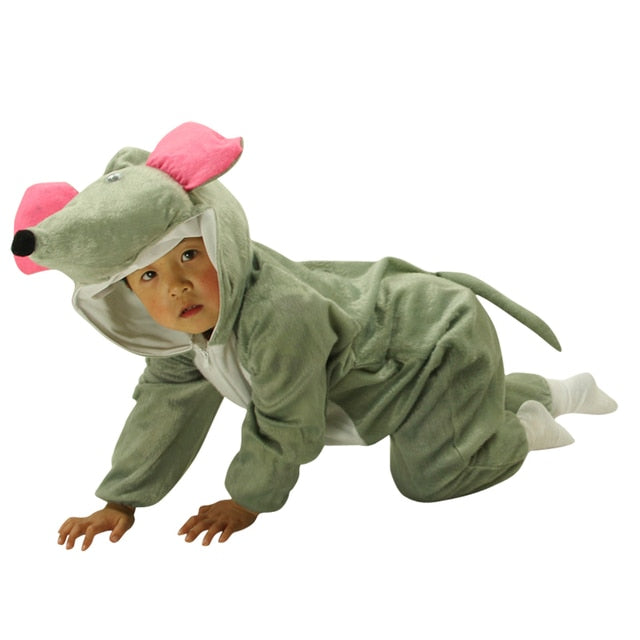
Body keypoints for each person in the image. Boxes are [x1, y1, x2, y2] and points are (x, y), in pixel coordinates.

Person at [10, 123, 617, 551]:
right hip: (402, 342)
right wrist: (122, 501)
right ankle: (556, 392)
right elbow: (164, 409)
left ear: (219, 243)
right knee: (451, 428)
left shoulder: (277, 316)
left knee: (430, 478)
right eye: (149, 276)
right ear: (125, 293)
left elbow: (287, 421)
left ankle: (522, 430)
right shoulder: (188, 335)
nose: (177, 287)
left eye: (189, 256)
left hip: (433, 345)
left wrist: (247, 499)